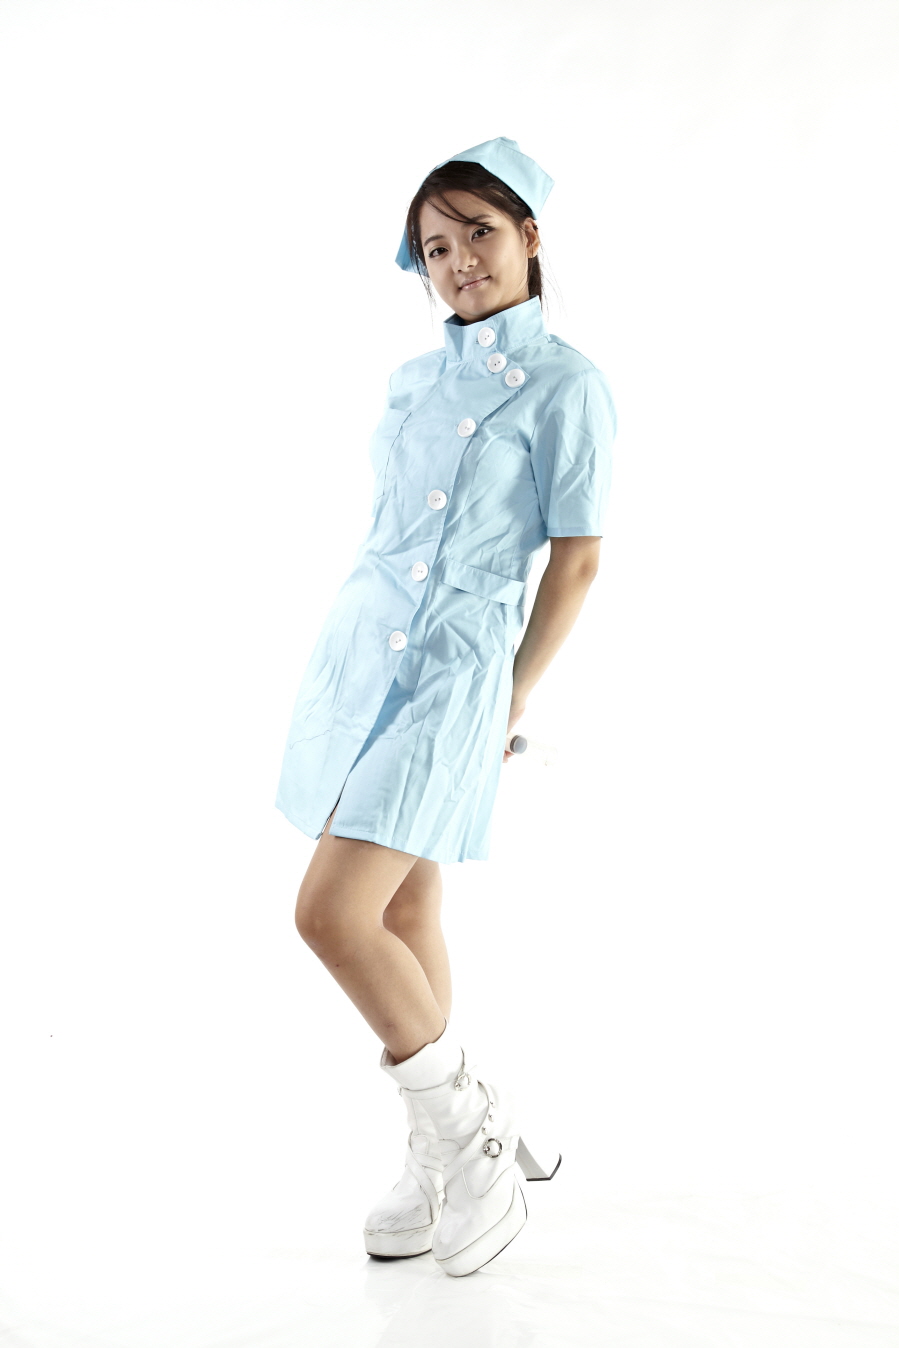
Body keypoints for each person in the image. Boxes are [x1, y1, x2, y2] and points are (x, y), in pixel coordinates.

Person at [275, 137, 616, 1277]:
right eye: (434, 246)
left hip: (456, 676)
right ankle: (437, 1151)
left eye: (479, 231)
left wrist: (503, 699)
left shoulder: (569, 385)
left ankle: (472, 1145)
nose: (459, 259)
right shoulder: (411, 382)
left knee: (330, 914)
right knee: (406, 906)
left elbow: (575, 561)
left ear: (529, 237)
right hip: (356, 664)